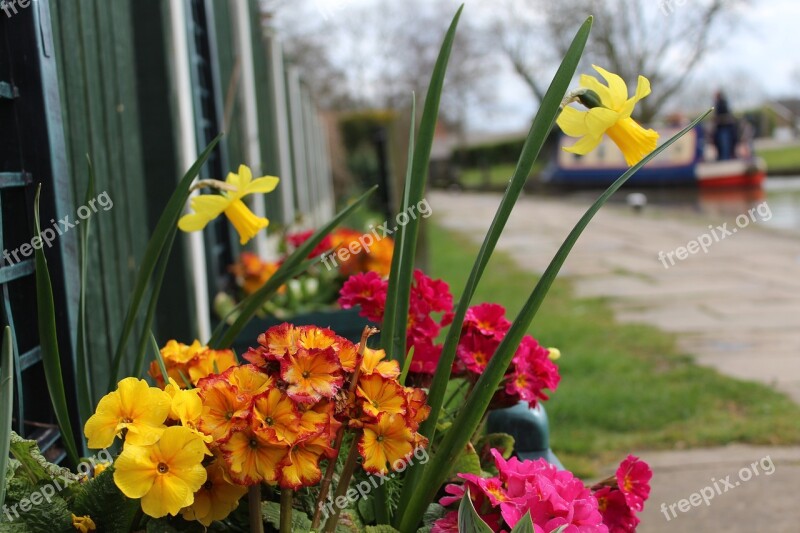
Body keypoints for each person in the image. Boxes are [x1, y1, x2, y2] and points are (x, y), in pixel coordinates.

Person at [713, 91, 737, 160]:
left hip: (724, 128)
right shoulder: (721, 103)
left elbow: (726, 117)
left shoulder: (722, 104)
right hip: (722, 128)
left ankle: (725, 159)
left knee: (725, 145)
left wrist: (717, 119)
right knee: (723, 144)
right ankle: (724, 157)